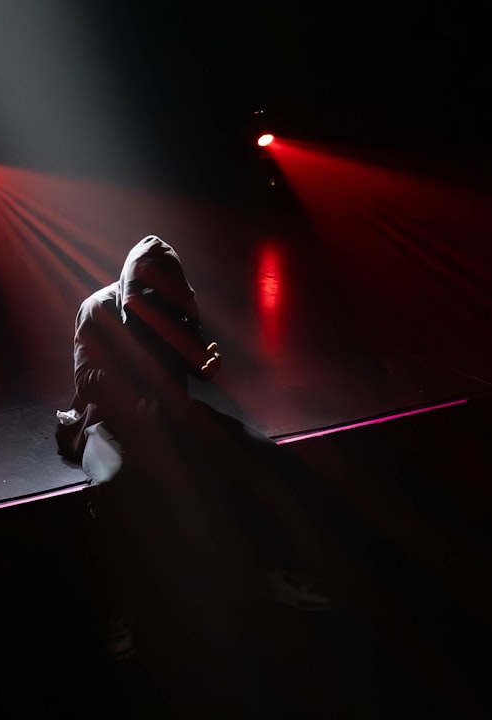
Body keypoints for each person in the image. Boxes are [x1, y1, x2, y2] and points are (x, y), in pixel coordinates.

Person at [61, 235, 329, 661]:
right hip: (111, 422)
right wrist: (136, 378)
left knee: (264, 453)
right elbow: (85, 381)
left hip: (171, 414)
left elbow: (196, 360)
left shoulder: (179, 305)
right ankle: (117, 605)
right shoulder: (96, 309)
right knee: (112, 484)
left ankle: (275, 572)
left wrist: (205, 365)